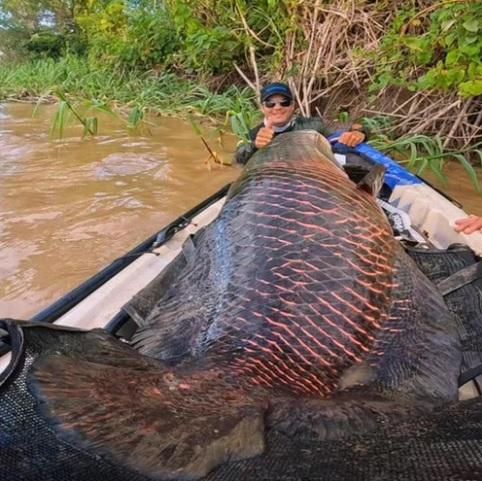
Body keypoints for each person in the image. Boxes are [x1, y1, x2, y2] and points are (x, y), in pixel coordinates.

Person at [234, 82, 367, 165]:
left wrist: (358, 133)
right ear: (263, 108)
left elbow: (356, 127)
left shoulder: (314, 125)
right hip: (274, 182)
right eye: (270, 103)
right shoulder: (253, 135)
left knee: (353, 159)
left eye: (284, 102)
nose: (277, 107)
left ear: (293, 106)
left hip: (311, 176)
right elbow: (238, 158)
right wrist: (255, 146)